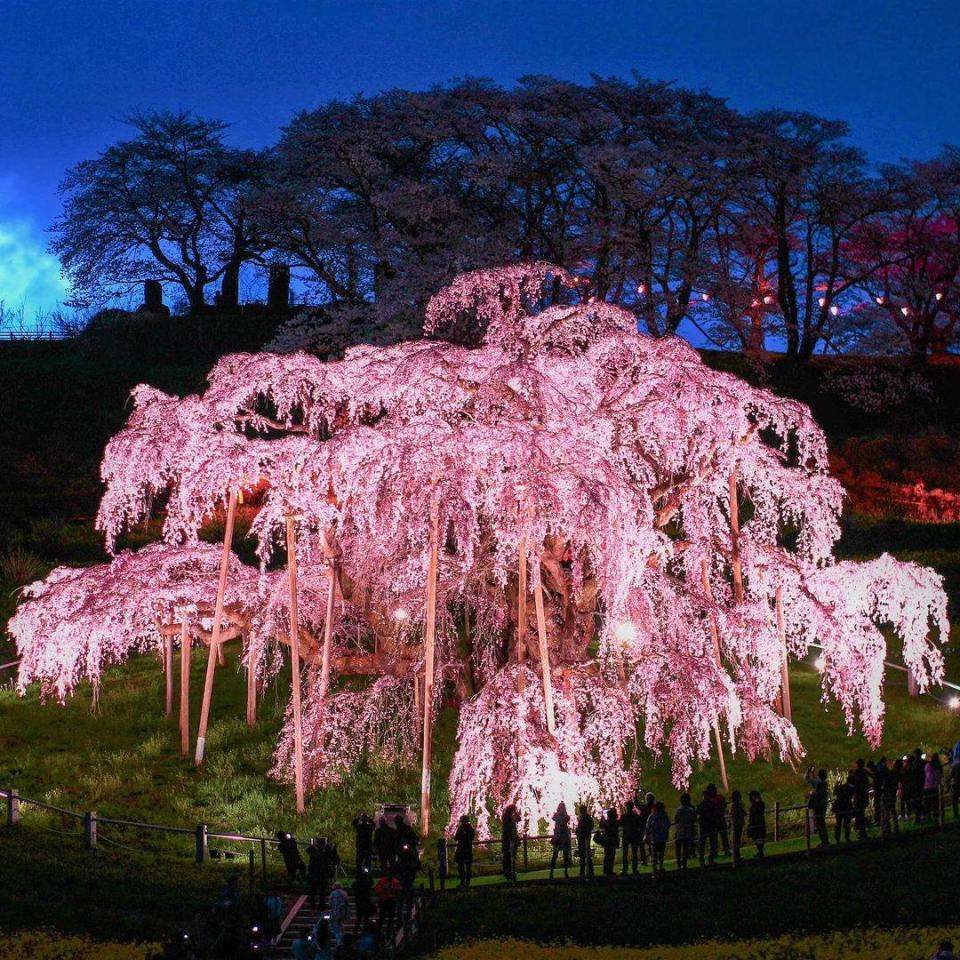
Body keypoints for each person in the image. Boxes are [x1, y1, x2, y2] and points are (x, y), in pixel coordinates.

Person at [307, 838, 338, 910]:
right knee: (318, 891)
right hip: (319, 874)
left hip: (320, 874)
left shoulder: (325, 852)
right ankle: (317, 905)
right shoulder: (321, 852)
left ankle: (317, 905)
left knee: (318, 891)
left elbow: (335, 860)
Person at [644, 801, 670, 878]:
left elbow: (648, 826)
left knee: (654, 855)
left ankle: (654, 870)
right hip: (662, 837)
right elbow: (667, 825)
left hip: (654, 838)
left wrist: (647, 835)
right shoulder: (664, 816)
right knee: (661, 854)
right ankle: (660, 868)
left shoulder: (652, 816)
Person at [805, 766, 830, 847]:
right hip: (823, 805)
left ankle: (824, 841)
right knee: (821, 823)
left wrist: (811, 793)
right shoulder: (824, 783)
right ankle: (825, 840)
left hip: (819, 806)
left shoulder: (819, 783)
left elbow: (808, 779)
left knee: (820, 824)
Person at [374, 872, 402, 941]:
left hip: (391, 902)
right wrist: (384, 890)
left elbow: (399, 890)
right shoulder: (382, 881)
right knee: (382, 918)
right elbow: (377, 890)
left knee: (390, 919)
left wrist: (393, 890)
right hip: (384, 901)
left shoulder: (395, 881)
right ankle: (379, 932)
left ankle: (388, 933)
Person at [673, 793, 697, 871]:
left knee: (678, 848)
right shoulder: (691, 810)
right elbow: (694, 819)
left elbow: (676, 820)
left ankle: (678, 862)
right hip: (687, 831)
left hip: (679, 831)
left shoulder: (678, 810)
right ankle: (684, 863)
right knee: (685, 848)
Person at [549, 802, 572, 880]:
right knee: (555, 855)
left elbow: (562, 821)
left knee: (562, 855)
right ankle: (552, 872)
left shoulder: (562, 816)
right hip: (559, 838)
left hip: (561, 838)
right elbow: (560, 821)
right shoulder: (559, 816)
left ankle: (564, 872)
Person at [620, 800, 642, 876]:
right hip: (634, 835)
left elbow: (621, 824)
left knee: (625, 853)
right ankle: (634, 869)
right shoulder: (636, 816)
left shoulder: (623, 816)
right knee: (634, 853)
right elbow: (639, 825)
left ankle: (624, 869)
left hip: (626, 836)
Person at [849, 758, 870, 839]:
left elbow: (855, 784)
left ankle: (862, 831)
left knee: (859, 813)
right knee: (861, 813)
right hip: (864, 795)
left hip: (859, 796)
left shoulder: (858, 772)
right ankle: (862, 830)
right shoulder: (864, 772)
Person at [697, 789, 719, 864]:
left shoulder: (703, 805)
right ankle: (708, 858)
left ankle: (704, 858)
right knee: (709, 842)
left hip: (706, 825)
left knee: (706, 842)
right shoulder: (711, 804)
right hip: (709, 825)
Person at [454, 814, 476, 887]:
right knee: (466, 866)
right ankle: (465, 881)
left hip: (462, 849)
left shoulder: (462, 828)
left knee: (463, 866)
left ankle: (464, 881)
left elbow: (456, 838)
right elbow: (472, 837)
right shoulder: (470, 828)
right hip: (467, 849)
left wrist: (461, 837)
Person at [882, 758, 901, 837]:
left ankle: (887, 828)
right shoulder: (897, 773)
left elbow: (886, 781)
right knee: (893, 810)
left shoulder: (892, 773)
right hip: (892, 793)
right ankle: (895, 827)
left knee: (886, 811)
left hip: (887, 793)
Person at [575, 805, 594, 881]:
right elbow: (591, 827)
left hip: (583, 839)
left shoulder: (584, 818)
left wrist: (578, 831)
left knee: (584, 856)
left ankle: (584, 872)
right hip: (585, 838)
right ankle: (589, 871)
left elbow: (582, 828)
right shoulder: (587, 818)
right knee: (586, 855)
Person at [353, 867, 374, 934]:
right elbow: (371, 883)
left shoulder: (358, 883)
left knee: (361, 919)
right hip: (363, 902)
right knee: (363, 919)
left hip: (361, 902)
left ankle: (356, 932)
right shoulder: (364, 882)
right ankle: (361, 932)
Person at [328, 882, 349, 948]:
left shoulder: (333, 893)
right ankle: (342, 940)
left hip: (335, 912)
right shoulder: (344, 893)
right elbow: (347, 903)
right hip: (342, 912)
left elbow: (330, 904)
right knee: (341, 925)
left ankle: (339, 942)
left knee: (336, 928)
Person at [501, 805, 520, 882]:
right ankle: (509, 873)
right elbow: (509, 830)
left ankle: (509, 873)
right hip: (509, 840)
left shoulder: (509, 817)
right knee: (509, 857)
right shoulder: (508, 818)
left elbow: (519, 819)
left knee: (509, 857)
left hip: (509, 839)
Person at [600, 807, 620, 877]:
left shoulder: (606, 822)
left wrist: (602, 818)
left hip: (607, 840)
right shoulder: (615, 822)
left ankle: (606, 870)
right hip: (613, 840)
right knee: (611, 855)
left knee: (607, 855)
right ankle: (609, 870)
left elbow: (601, 826)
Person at [924, 752, 943, 824]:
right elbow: (939, 776)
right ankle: (936, 817)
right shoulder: (938, 765)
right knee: (936, 802)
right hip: (935, 786)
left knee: (927, 803)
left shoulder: (928, 765)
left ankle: (928, 817)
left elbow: (927, 776)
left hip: (927, 786)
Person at [832, 777, 853, 843]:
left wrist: (836, 784)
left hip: (839, 807)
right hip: (846, 806)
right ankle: (846, 837)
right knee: (846, 823)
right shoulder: (851, 788)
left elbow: (834, 792)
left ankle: (837, 837)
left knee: (838, 823)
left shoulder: (841, 786)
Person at [747, 790, 766, 858]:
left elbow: (759, 810)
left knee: (759, 838)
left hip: (758, 823)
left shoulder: (759, 804)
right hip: (754, 823)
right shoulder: (754, 805)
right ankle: (760, 851)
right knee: (756, 838)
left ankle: (760, 852)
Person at [730, 790, 746, 866]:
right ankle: (736, 855)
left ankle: (737, 854)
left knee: (737, 840)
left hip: (738, 824)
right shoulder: (735, 806)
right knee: (736, 840)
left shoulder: (736, 805)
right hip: (737, 825)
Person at [950, 754, 960, 821]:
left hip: (956, 785)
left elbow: (951, 776)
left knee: (954, 800)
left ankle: (956, 813)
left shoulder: (955, 767)